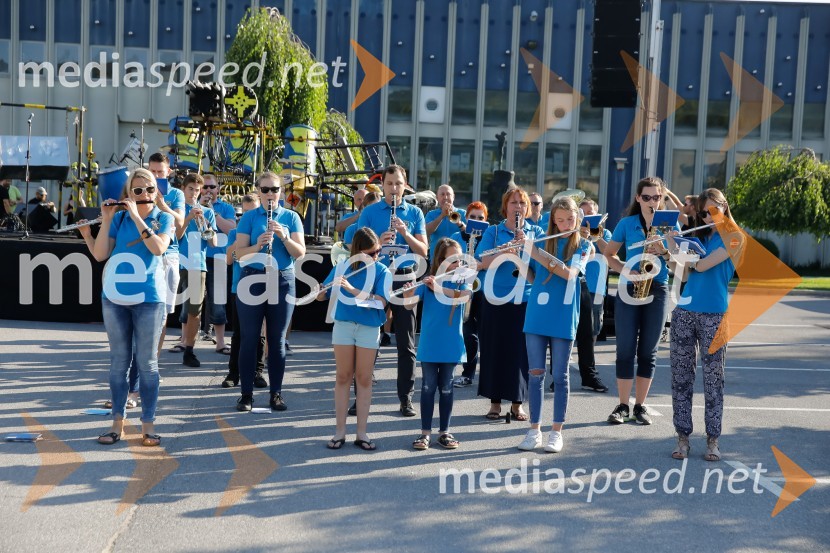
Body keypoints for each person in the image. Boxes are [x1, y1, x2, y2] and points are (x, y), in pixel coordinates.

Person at [88, 168, 174, 446]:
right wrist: (107, 219)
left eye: (149, 189)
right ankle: (117, 424)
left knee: (147, 364)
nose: (145, 195)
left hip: (149, 298)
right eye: (137, 191)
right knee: (118, 363)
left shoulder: (164, 217)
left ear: (156, 192)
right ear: (128, 194)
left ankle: (148, 424)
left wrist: (137, 216)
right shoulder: (120, 217)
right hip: (114, 297)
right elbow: (101, 254)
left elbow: (159, 248)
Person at [668, 188, 741, 462]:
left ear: (724, 207)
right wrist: (671, 247)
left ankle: (713, 440)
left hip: (715, 315)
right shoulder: (697, 235)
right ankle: (682, 438)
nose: (708, 216)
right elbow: (682, 272)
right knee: (681, 379)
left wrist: (681, 251)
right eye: (703, 212)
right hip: (685, 311)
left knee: (713, 381)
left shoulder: (735, 237)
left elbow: (702, 266)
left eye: (713, 210)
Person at [518, 196, 592, 452]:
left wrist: (536, 253)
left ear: (577, 218)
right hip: (537, 312)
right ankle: (534, 429)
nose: (565, 224)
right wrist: (520, 255)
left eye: (570, 219)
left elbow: (571, 275)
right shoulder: (543, 240)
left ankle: (556, 431)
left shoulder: (584, 245)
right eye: (559, 220)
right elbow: (532, 275)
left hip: (563, 313)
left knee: (560, 376)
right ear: (552, 220)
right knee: (535, 374)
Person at [603, 177, 678, 425]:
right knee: (625, 349)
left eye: (656, 197)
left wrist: (664, 250)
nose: (651, 202)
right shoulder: (627, 223)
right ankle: (623, 405)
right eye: (646, 197)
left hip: (657, 287)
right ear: (638, 198)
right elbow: (609, 254)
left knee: (648, 351)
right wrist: (626, 270)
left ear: (662, 198)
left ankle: (640, 406)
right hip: (630, 287)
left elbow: (679, 261)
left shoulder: (670, 225)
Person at [357, 165, 428, 417]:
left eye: (399, 184)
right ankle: (361, 397)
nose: (394, 188)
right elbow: (354, 247)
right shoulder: (370, 211)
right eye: (389, 184)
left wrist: (405, 233)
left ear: (405, 185)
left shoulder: (415, 212)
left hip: (404, 277)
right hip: (376, 277)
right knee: (368, 340)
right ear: (383, 185)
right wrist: (379, 240)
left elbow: (423, 251)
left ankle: (406, 399)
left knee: (406, 342)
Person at [234, 171, 306, 411]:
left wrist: (284, 237)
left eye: (274, 189)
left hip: (282, 278)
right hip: (252, 279)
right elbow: (239, 254)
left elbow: (300, 253)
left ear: (281, 192)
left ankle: (276, 393)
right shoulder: (249, 218)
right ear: (258, 192)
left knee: (277, 341)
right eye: (264, 190)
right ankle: (246, 395)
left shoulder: (291, 217)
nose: (269, 194)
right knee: (249, 339)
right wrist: (259, 245)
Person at [316, 228, 390, 451]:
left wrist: (353, 290)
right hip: (344, 325)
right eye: (371, 253)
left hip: (369, 327)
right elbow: (322, 296)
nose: (376, 256)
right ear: (358, 251)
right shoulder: (343, 267)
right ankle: (340, 432)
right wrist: (320, 290)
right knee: (342, 376)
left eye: (377, 251)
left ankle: (362, 432)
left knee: (364, 378)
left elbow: (382, 302)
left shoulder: (382, 270)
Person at [475, 187, 541, 421]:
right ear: (505, 207)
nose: (518, 207)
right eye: (513, 203)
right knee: (494, 349)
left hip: (524, 298)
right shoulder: (493, 232)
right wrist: (506, 251)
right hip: (495, 297)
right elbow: (481, 262)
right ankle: (494, 402)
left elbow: (539, 270)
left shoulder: (537, 232)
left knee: (521, 352)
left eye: (522, 204)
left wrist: (527, 248)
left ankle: (517, 403)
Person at [404, 237, 469, 450]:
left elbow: (463, 297)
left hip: (451, 343)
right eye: (452, 260)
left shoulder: (462, 280)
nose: (457, 265)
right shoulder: (428, 281)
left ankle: (445, 432)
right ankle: (425, 434)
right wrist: (407, 292)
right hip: (431, 342)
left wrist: (438, 288)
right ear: (440, 260)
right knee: (428, 386)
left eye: (459, 260)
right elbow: (408, 305)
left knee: (447, 387)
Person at [222, 194, 267, 388]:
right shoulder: (235, 233)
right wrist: (241, 239)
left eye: (252, 212)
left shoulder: (263, 228)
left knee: (260, 333)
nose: (248, 216)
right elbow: (230, 259)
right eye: (244, 212)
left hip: (262, 283)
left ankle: (257, 371)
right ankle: (234, 373)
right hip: (239, 286)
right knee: (239, 333)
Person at [177, 174, 218, 368]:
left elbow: (213, 242)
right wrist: (187, 218)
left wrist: (205, 222)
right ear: (183, 189)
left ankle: (189, 351)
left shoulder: (207, 212)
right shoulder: (176, 209)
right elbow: (176, 235)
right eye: (190, 189)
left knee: (195, 311)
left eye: (197, 189)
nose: (194, 193)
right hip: (176, 262)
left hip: (196, 265)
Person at [147, 152, 185, 358]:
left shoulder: (176, 194)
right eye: (151, 171)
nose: (155, 175)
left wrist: (163, 206)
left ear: (168, 172)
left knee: (161, 313)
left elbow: (180, 224)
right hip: (146, 253)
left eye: (159, 172)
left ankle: (154, 361)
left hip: (168, 254)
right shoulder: (139, 190)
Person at [571, 198, 609, 392]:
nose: (587, 220)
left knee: (590, 332)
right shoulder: (571, 232)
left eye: (591, 215)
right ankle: (559, 375)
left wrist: (594, 233)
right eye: (583, 215)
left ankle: (588, 374)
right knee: (566, 331)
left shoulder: (604, 233)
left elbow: (604, 252)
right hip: (569, 283)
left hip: (592, 287)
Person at [448, 201, 488, 388]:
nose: (476, 221)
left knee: (486, 334)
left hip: (485, 289)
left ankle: (489, 375)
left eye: (480, 218)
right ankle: (468, 373)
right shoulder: (457, 237)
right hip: (463, 287)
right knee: (468, 333)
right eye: (472, 217)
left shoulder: (489, 236)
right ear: (466, 218)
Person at [201, 173, 237, 354]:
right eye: (205, 187)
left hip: (219, 258)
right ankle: (185, 341)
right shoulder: (193, 206)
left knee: (218, 300)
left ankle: (221, 342)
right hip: (196, 257)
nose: (208, 190)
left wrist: (212, 212)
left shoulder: (226, 208)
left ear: (218, 189)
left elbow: (231, 229)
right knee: (191, 300)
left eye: (211, 187)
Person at [424, 184, 466, 258]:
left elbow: (470, 233)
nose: (445, 197)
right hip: (437, 259)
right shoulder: (431, 214)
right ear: (437, 198)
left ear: (453, 197)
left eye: (448, 194)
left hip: (458, 259)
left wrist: (459, 223)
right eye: (442, 194)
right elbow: (426, 232)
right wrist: (442, 216)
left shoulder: (462, 213)